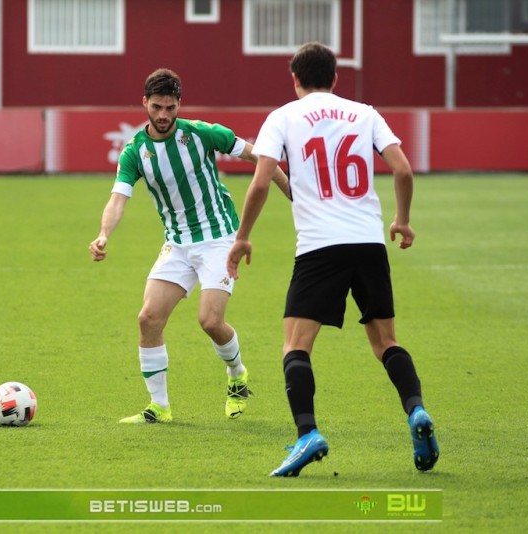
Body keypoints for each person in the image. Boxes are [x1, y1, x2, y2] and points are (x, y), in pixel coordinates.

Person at [227, 42, 439, 476]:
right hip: (368, 243)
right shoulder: (364, 112)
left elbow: (262, 182)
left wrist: (243, 236)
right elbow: (402, 169)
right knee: (386, 343)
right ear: (335, 78)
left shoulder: (282, 117)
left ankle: (307, 434)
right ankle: (416, 411)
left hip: (320, 247)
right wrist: (402, 220)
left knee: (296, 345)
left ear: (295, 78)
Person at [89, 68, 290, 424]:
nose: (163, 115)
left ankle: (237, 375)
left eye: (169, 107)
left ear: (179, 104)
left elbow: (263, 159)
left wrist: (296, 197)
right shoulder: (136, 151)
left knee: (210, 321)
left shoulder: (202, 134)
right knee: (148, 318)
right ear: (145, 104)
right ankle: (159, 407)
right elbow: (118, 198)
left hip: (220, 240)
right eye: (156, 107)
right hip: (178, 244)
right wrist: (104, 234)